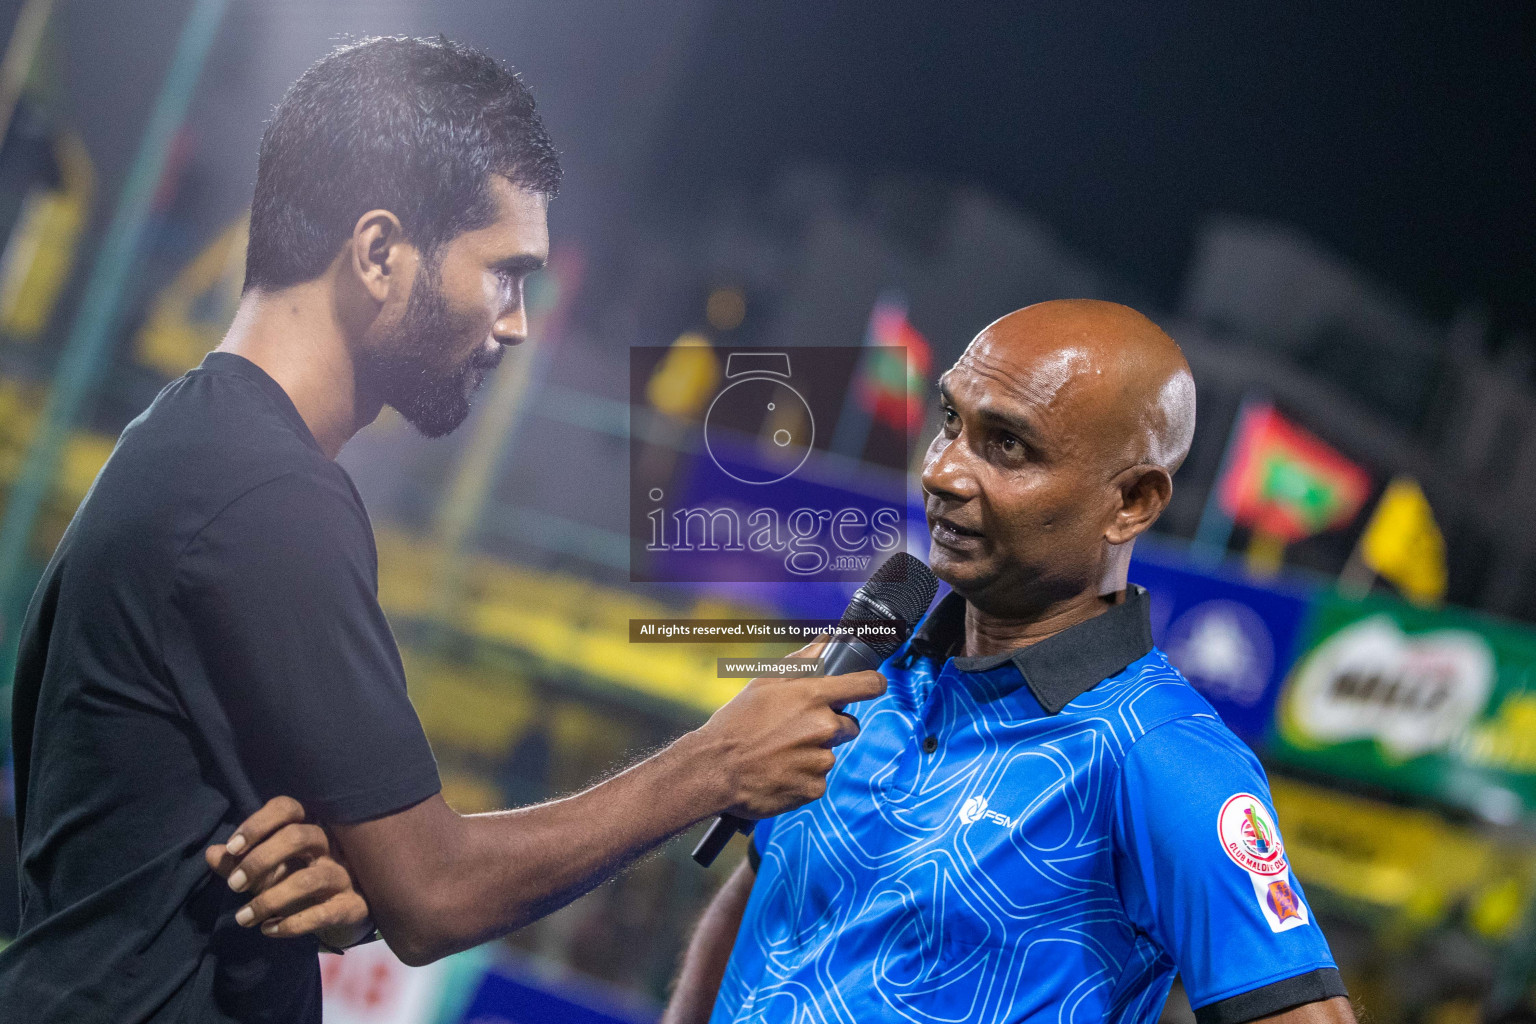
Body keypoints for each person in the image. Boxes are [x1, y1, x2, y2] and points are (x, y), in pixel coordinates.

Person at [0, 36, 882, 1024]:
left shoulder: (191, 446)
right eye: (505, 274)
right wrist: (716, 761)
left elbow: (353, 874)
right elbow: (437, 893)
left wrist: (362, 871)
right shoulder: (266, 494)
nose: (514, 324)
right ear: (378, 252)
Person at [662, 300, 1357, 1024]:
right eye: (952, 423)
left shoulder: (1165, 756)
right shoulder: (861, 668)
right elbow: (762, 890)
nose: (942, 471)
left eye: (1008, 447)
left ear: (1133, 501)